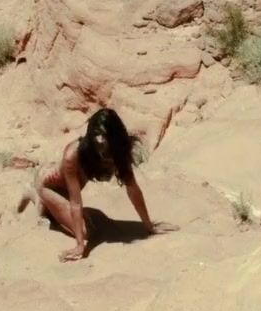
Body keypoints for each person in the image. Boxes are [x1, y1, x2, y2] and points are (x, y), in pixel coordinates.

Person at [17, 108, 162, 262]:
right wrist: (80, 246)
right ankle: (36, 194)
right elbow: (76, 202)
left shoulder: (118, 151)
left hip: (66, 188)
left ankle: (48, 207)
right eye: (96, 133)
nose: (99, 139)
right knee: (86, 232)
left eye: (104, 134)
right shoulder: (74, 154)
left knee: (84, 222)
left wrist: (148, 226)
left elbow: (133, 189)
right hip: (48, 186)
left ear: (114, 134)